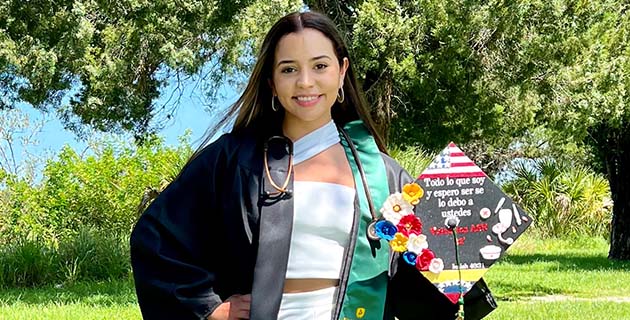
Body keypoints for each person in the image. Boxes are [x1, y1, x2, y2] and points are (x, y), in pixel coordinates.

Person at [130, 11, 496, 320]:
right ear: (272, 82)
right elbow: (157, 239)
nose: (305, 82)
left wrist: (463, 253)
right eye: (289, 69)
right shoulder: (235, 161)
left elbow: (422, 271)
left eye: (319, 66)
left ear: (341, 72)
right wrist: (209, 308)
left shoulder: (380, 173)